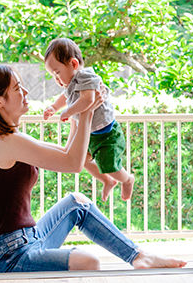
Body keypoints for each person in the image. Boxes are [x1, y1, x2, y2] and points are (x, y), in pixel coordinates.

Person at [0, 63, 186, 272]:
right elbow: (72, 163)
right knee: (87, 261)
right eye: (16, 88)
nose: (25, 91)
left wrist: (78, 111)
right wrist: (86, 111)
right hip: (10, 256)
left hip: (29, 238)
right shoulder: (7, 142)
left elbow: (67, 154)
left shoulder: (11, 138)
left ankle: (139, 256)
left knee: (77, 202)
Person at [41, 37, 136, 203]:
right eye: (53, 75)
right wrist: (54, 108)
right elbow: (65, 97)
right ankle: (107, 180)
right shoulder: (71, 84)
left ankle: (127, 179)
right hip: (91, 134)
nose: (57, 79)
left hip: (106, 135)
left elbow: (88, 100)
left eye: (57, 73)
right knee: (80, 160)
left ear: (74, 64)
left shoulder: (85, 76)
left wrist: (67, 112)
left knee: (110, 167)